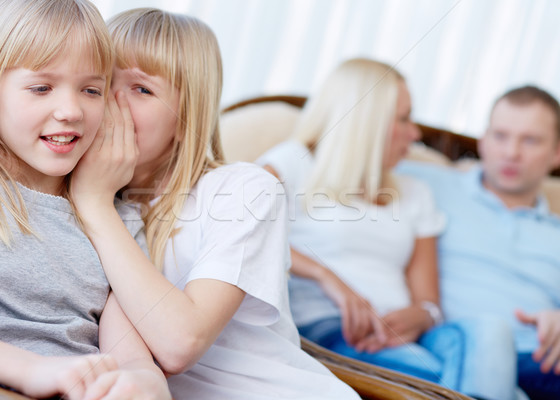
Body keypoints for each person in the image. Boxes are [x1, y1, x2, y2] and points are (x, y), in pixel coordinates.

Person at [67, 7, 360, 400]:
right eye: (100, 83)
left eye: (142, 89)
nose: (112, 105)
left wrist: (96, 203)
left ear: (186, 115)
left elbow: (179, 344)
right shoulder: (68, 189)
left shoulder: (244, 191)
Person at [256, 58, 518, 399]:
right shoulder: (291, 163)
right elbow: (243, 234)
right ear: (368, 122)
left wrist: (420, 316)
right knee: (463, 380)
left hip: (409, 337)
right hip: (337, 330)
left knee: (492, 331)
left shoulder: (415, 192)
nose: (416, 133)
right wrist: (328, 277)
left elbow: (429, 301)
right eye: (404, 118)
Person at [0, 1, 169, 399]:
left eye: (91, 90)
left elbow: (131, 357)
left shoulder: (116, 218)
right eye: (41, 87)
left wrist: (144, 381)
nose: (71, 110)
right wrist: (31, 369)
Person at [398, 85, 560, 400]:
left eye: (530, 140)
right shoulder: (424, 184)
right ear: (483, 141)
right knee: (488, 335)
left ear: (556, 153)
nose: (512, 152)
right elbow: (344, 167)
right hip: (456, 345)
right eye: (501, 136)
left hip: (540, 360)